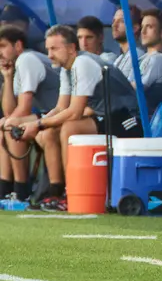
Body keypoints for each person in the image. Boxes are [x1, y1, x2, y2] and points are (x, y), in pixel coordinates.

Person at [17, 25, 142, 211]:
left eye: (54, 49)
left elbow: (74, 112)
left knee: (69, 128)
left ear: (71, 48)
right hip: (106, 117)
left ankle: (71, 192)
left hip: (127, 119)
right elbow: (60, 107)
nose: (49, 55)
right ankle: (54, 192)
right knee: (49, 133)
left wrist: (38, 123)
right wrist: (39, 125)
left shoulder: (82, 63)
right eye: (48, 49)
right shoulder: (67, 68)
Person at [0, 26, 59, 201]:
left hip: (58, 112)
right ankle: (5, 189)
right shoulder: (15, 66)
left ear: (18, 46)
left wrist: (7, 121)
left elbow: (23, 109)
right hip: (46, 114)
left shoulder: (26, 59)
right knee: (6, 123)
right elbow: (10, 111)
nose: (0, 53)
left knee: (10, 125)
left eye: (3, 46)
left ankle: (20, 190)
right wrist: (8, 77)